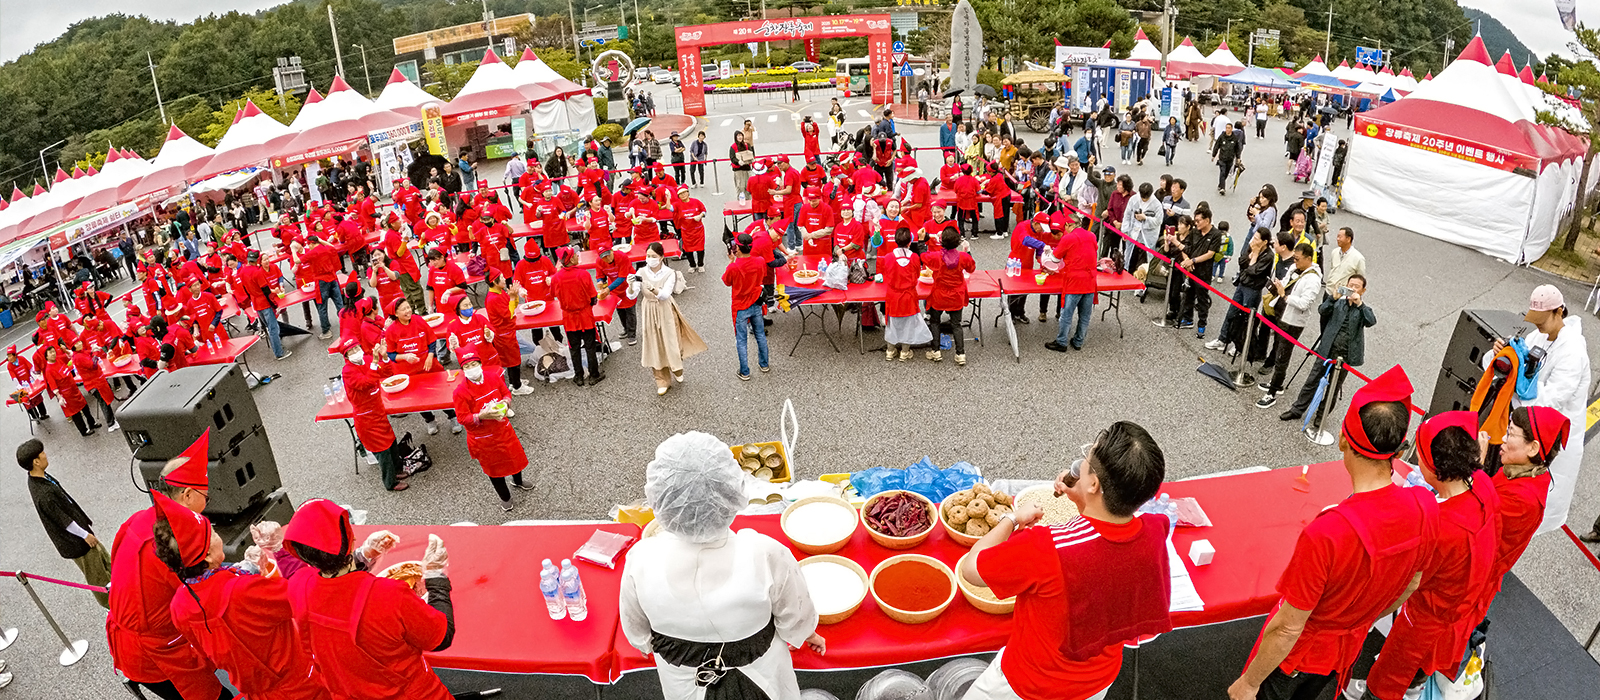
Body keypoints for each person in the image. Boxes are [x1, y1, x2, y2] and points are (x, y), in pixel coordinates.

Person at [1229, 367, 1439, 700]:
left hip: (1298, 657)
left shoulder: (1329, 532)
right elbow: (1411, 583)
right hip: (1344, 652)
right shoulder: (1425, 507)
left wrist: (1250, 682)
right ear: (1398, 450)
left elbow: (1288, 626)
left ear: (1343, 437)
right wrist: (1363, 616)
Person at [959, 421, 1171, 700]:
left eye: (1086, 459)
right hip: (1096, 683)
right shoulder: (1156, 530)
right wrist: (1083, 497)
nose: (1080, 463)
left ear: (1094, 483)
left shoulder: (1046, 546)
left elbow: (971, 569)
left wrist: (1011, 520)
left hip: (1028, 685)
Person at [620, 432, 825, 700]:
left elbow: (638, 634)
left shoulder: (641, 559)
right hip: (764, 682)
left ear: (660, 500)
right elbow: (795, 620)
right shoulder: (765, 553)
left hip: (684, 686)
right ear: (732, 492)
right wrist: (807, 634)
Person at [1356, 411, 1499, 700]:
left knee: (1386, 681)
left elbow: (1406, 581)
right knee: (1417, 672)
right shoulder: (1482, 484)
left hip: (1424, 619)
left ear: (1433, 466)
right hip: (1458, 612)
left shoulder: (1440, 526)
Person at [284, 499, 454, 700]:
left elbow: (332, 580)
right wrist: (436, 577)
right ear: (349, 538)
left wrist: (364, 556)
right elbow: (441, 638)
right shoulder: (389, 595)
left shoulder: (296, 585)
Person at [107, 431, 232, 700]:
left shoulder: (137, 520)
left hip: (133, 640)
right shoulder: (177, 544)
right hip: (158, 654)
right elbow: (205, 603)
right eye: (205, 497)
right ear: (187, 495)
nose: (206, 505)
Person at [1487, 285, 1590, 537]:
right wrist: (1500, 354)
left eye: (1542, 320)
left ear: (1558, 312)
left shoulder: (1573, 352)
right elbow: (1509, 366)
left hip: (1549, 439)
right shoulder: (1539, 337)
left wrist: (1518, 379)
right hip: (1526, 430)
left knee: (1528, 507)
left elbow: (1551, 401)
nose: (1538, 326)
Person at [20, 439, 110, 609]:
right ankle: (112, 606)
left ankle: (123, 589)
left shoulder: (40, 477)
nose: (46, 455)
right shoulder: (44, 494)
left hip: (81, 530)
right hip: (77, 542)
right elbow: (64, 522)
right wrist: (85, 535)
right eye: (42, 454)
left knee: (105, 560)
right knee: (97, 575)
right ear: (36, 462)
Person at [1279, 274, 1376, 423]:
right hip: (1327, 350)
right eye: (1350, 285)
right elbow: (1322, 310)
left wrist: (1360, 304)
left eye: (1357, 286)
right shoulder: (1338, 303)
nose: (1352, 288)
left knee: (1333, 388)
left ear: (1363, 291)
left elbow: (1371, 321)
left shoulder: (1363, 309)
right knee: (1312, 381)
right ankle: (1297, 410)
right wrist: (1333, 297)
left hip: (1346, 356)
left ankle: (1321, 416)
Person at [451, 350, 531, 512]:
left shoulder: (493, 378)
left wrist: (505, 404)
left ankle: (518, 481)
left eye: (474, 364)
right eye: (467, 366)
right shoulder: (460, 392)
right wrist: (481, 415)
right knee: (495, 470)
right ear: (463, 370)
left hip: (503, 430)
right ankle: (505, 497)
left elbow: (506, 393)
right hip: (483, 439)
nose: (471, 368)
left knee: (514, 458)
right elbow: (462, 418)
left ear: (480, 364)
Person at [1256, 243, 1322, 410]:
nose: (1295, 261)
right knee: (1278, 350)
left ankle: (1271, 394)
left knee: (1282, 356)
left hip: (1293, 321)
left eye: (1298, 259)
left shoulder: (1313, 279)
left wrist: (1285, 296)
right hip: (1280, 314)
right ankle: (1276, 384)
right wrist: (1278, 287)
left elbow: (1305, 303)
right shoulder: (1293, 268)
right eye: (1294, 258)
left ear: (1309, 258)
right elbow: (1285, 284)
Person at [337, 337, 409, 491]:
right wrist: (375, 363)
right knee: (382, 451)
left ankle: (397, 470)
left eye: (357, 348)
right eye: (352, 351)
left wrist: (384, 357)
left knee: (391, 443)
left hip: (378, 411)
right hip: (366, 417)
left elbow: (387, 372)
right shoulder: (348, 371)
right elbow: (366, 383)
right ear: (346, 356)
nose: (356, 353)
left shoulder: (368, 360)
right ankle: (390, 482)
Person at [1208, 226, 1274, 356]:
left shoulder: (1268, 256)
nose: (1253, 240)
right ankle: (1223, 339)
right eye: (1254, 237)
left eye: (1257, 238)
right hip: (1242, 284)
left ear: (1265, 242)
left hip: (1253, 289)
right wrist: (1250, 254)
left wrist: (1254, 255)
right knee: (1231, 313)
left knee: (1246, 319)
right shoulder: (1252, 246)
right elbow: (1241, 261)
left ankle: (1240, 345)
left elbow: (1253, 271)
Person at [922, 229, 977, 365]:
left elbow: (922, 256)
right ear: (958, 242)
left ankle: (936, 351)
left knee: (935, 322)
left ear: (941, 242)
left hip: (939, 294)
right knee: (956, 324)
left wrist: (922, 240)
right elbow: (971, 268)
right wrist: (968, 250)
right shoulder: (963, 257)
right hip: (956, 295)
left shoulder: (936, 257)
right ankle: (960, 354)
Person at [1041, 224, 1098, 352]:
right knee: (1085, 315)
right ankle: (1078, 341)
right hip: (1090, 280)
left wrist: (1050, 253)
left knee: (1066, 314)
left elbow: (1055, 259)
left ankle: (1061, 342)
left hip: (1074, 281)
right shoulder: (1092, 236)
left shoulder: (1068, 238)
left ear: (1068, 225)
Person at [552, 249, 604, 387]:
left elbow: (552, 293)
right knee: (590, 346)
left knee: (574, 348)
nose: (577, 256)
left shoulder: (556, 277)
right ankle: (594, 375)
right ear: (571, 260)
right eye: (574, 255)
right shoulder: (583, 274)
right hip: (585, 315)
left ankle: (579, 376)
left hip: (569, 317)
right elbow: (593, 296)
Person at [878, 229, 932, 361]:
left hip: (893, 295)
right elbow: (916, 275)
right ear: (909, 242)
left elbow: (884, 274)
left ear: (896, 241)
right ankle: (905, 352)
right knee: (909, 324)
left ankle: (890, 351)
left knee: (893, 323)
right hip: (909, 295)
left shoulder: (888, 257)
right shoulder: (914, 257)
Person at [724, 233, 772, 380]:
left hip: (740, 306)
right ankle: (764, 364)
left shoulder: (734, 267)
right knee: (760, 335)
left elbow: (727, 282)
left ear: (737, 248)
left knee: (741, 339)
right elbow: (762, 275)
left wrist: (731, 262)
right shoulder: (760, 261)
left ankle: (745, 371)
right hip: (756, 302)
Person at [1213, 123, 1242, 195]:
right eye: (1226, 128)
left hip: (1230, 158)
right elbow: (1217, 145)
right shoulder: (1222, 137)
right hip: (1222, 158)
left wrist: (1238, 158)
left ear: (1231, 129)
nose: (1227, 129)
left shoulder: (1235, 138)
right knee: (1222, 172)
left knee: (1226, 173)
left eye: (1229, 128)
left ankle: (1220, 184)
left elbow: (1237, 149)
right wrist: (1214, 155)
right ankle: (1222, 188)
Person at [730, 130, 755, 200]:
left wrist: (752, 160)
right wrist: (738, 162)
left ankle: (749, 202)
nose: (740, 137)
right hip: (738, 170)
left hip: (747, 168)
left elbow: (752, 153)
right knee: (740, 187)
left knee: (748, 187)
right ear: (735, 137)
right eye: (738, 136)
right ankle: (740, 202)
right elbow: (732, 158)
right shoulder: (733, 147)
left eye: (741, 135)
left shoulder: (747, 145)